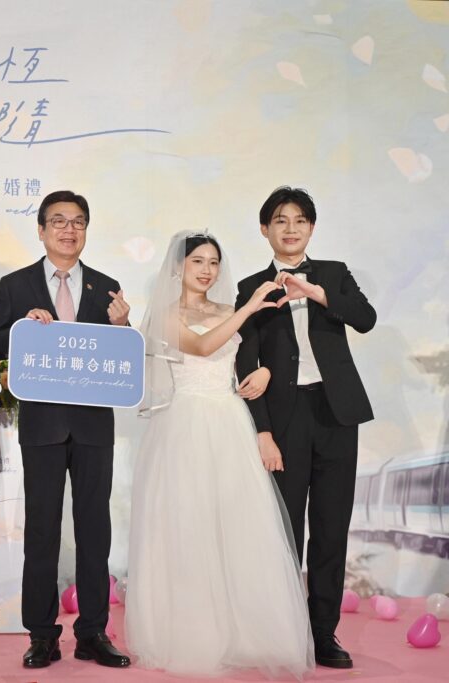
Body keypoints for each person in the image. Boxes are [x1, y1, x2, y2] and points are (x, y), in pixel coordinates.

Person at [126, 231, 314, 678]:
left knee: (238, 524)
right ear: (179, 267)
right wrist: (248, 309)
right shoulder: (167, 315)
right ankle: (195, 633)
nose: (207, 270)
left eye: (213, 262)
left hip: (231, 421)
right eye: (197, 261)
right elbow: (203, 346)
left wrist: (265, 371)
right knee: (190, 527)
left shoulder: (228, 310)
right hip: (186, 424)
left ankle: (245, 632)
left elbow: (253, 357)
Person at [0, 190, 131, 670]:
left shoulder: (106, 287)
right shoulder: (16, 284)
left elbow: (121, 357)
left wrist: (124, 325)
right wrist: (21, 325)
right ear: (42, 230)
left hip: (93, 426)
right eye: (59, 221)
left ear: (86, 230)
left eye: (78, 221)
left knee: (95, 531)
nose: (69, 230)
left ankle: (93, 633)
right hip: (42, 424)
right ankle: (42, 635)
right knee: (42, 531)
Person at [235, 187, 376, 669]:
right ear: (265, 229)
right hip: (285, 417)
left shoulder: (333, 274)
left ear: (311, 227)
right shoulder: (252, 286)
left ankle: (323, 634)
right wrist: (263, 431)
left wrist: (315, 293)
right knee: (286, 531)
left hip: (337, 414)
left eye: (299, 220)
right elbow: (245, 361)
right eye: (280, 220)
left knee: (331, 529)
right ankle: (286, 631)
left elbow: (365, 319)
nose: (290, 228)